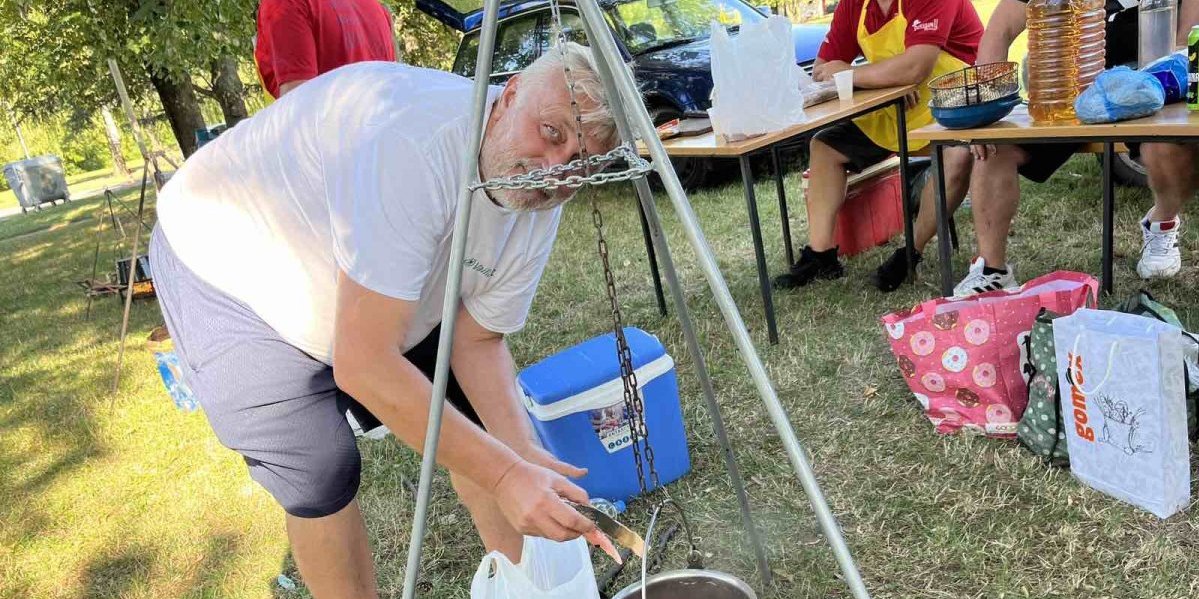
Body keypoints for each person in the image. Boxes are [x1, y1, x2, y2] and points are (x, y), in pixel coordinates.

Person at [150, 45, 619, 598]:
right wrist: (505, 475)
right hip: (231, 257)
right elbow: (365, 363)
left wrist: (521, 459)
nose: (552, 170)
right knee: (320, 469)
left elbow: (477, 338)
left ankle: (530, 589)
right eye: (551, 131)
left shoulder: (542, 196)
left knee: (485, 431)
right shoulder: (413, 145)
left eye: (580, 164)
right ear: (509, 92)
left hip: (365, 263)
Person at [952, 0, 1199, 297]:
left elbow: (1186, 42)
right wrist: (987, 108)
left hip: (1151, 83)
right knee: (993, 148)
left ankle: (1161, 220)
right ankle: (992, 270)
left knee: (1169, 146)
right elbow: (1000, 28)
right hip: (1069, 89)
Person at [773, 0, 983, 291]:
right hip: (895, 106)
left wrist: (856, 74)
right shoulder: (854, 5)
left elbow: (915, 66)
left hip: (955, 104)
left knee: (958, 158)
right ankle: (821, 256)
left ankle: (911, 252)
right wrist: (883, 81)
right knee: (825, 147)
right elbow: (822, 71)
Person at [254, 0, 397, 98]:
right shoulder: (375, 8)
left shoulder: (284, 4)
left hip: (333, 139)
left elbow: (298, 108)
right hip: (383, 137)